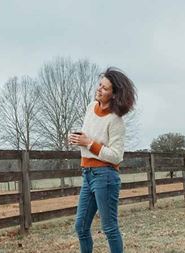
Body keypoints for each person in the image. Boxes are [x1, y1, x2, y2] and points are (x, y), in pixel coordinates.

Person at [68, 67, 137, 253]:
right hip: (88, 174)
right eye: (100, 85)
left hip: (105, 176)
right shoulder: (91, 107)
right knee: (81, 227)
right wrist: (78, 139)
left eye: (105, 88)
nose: (99, 89)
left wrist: (89, 143)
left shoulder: (116, 121)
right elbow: (89, 137)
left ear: (114, 95)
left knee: (109, 228)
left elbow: (116, 155)